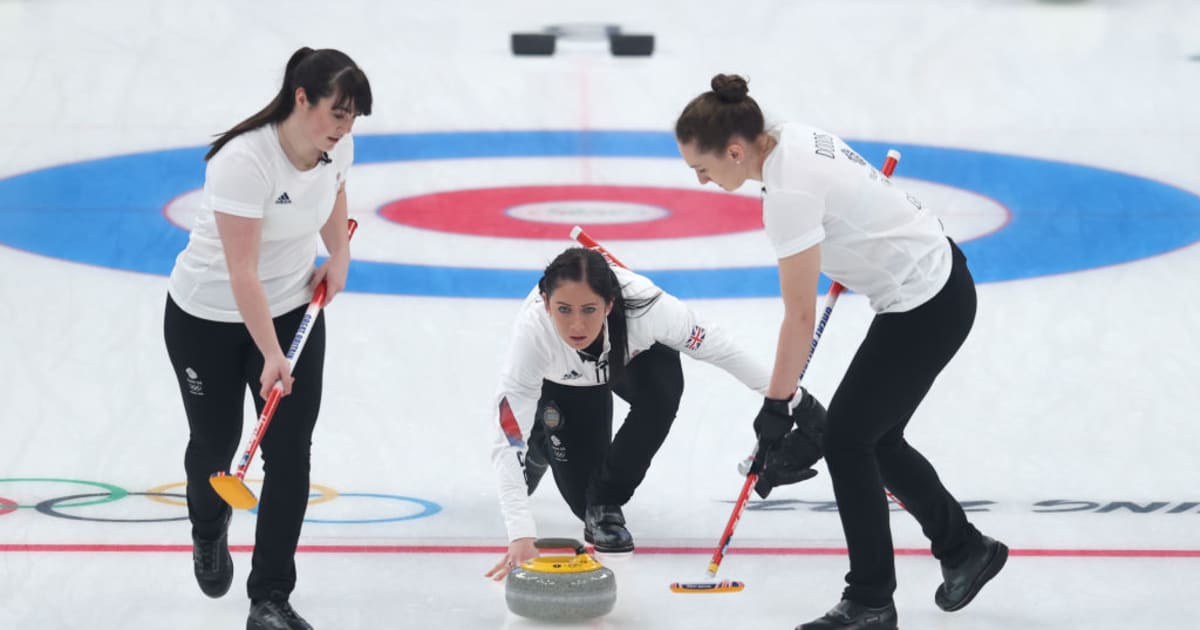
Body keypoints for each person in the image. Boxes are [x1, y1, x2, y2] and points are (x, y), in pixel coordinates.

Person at [674, 74, 1007, 630]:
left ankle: (871, 600)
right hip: (934, 285)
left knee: (848, 440)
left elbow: (799, 317)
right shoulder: (785, 136)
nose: (703, 180)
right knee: (874, 437)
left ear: (736, 151)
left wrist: (777, 409)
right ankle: (965, 549)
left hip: (926, 303)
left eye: (703, 168)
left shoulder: (787, 195)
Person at [163, 47, 371, 630]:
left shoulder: (336, 147)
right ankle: (208, 531)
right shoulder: (243, 161)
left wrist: (340, 253)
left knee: (290, 454)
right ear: (300, 98)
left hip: (291, 307)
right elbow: (241, 272)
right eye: (336, 114)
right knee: (216, 442)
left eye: (352, 119)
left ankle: (270, 597)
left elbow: (333, 193)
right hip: (206, 316)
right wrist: (273, 356)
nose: (343, 129)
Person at [484, 247, 826, 580]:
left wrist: (795, 400)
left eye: (589, 309)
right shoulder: (532, 334)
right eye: (563, 309)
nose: (577, 324)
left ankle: (606, 504)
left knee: (661, 394)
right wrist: (521, 534)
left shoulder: (649, 309)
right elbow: (508, 437)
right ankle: (544, 447)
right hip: (566, 381)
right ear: (545, 304)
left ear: (610, 303)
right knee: (578, 501)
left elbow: (720, 349)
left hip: (632, 360)